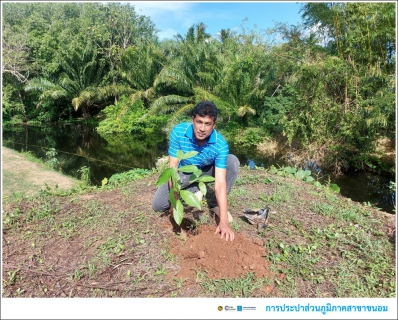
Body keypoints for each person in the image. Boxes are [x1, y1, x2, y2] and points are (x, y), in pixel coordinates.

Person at [152, 101, 240, 241]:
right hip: (185, 172)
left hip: (208, 170)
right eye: (199, 122)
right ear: (193, 120)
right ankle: (196, 189)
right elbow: (172, 169)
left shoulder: (220, 144)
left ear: (214, 124)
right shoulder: (178, 132)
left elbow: (220, 183)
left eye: (207, 124)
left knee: (232, 162)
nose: (202, 128)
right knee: (158, 204)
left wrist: (224, 222)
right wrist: (174, 203)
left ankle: (215, 204)